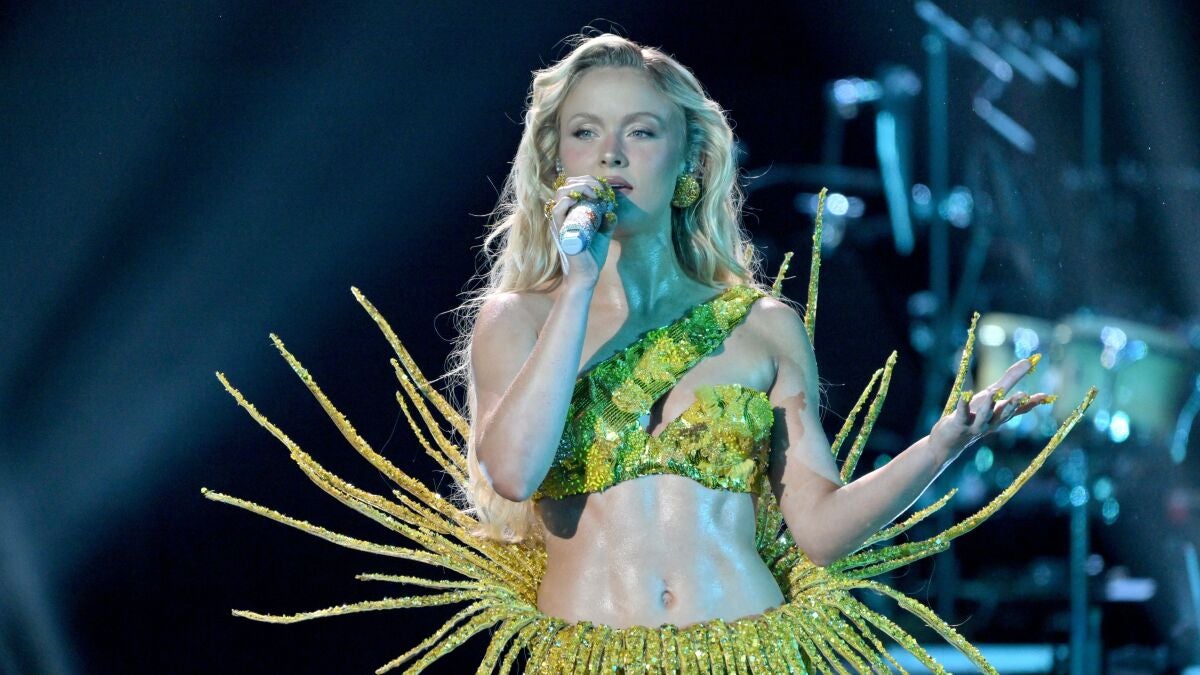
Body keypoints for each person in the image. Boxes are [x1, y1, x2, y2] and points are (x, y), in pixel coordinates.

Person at [206, 32, 1092, 673]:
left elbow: (818, 532)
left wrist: (942, 446)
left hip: (752, 650)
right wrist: (579, 284)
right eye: (585, 132)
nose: (611, 153)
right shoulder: (517, 320)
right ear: (556, 163)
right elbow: (513, 472)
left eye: (640, 131)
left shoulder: (762, 325)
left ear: (688, 164)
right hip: (587, 653)